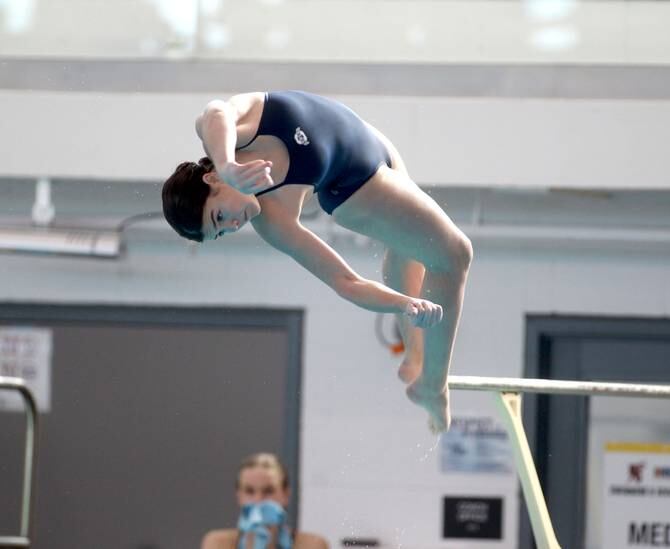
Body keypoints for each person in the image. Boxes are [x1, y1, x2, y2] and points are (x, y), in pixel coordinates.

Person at [162, 90, 472, 432]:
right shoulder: (273, 221)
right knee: (453, 254)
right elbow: (346, 282)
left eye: (220, 217)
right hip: (358, 185)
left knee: (409, 249)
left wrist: (229, 165)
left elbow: (213, 112)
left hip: (373, 141)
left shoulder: (235, 133)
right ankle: (432, 385)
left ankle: (415, 358)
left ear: (212, 179)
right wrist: (404, 304)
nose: (234, 226)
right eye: (222, 232)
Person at [201, 453, 328, 549]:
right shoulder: (217, 543)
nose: (258, 500)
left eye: (268, 491)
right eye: (249, 491)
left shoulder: (312, 544)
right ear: (239, 496)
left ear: (286, 495)